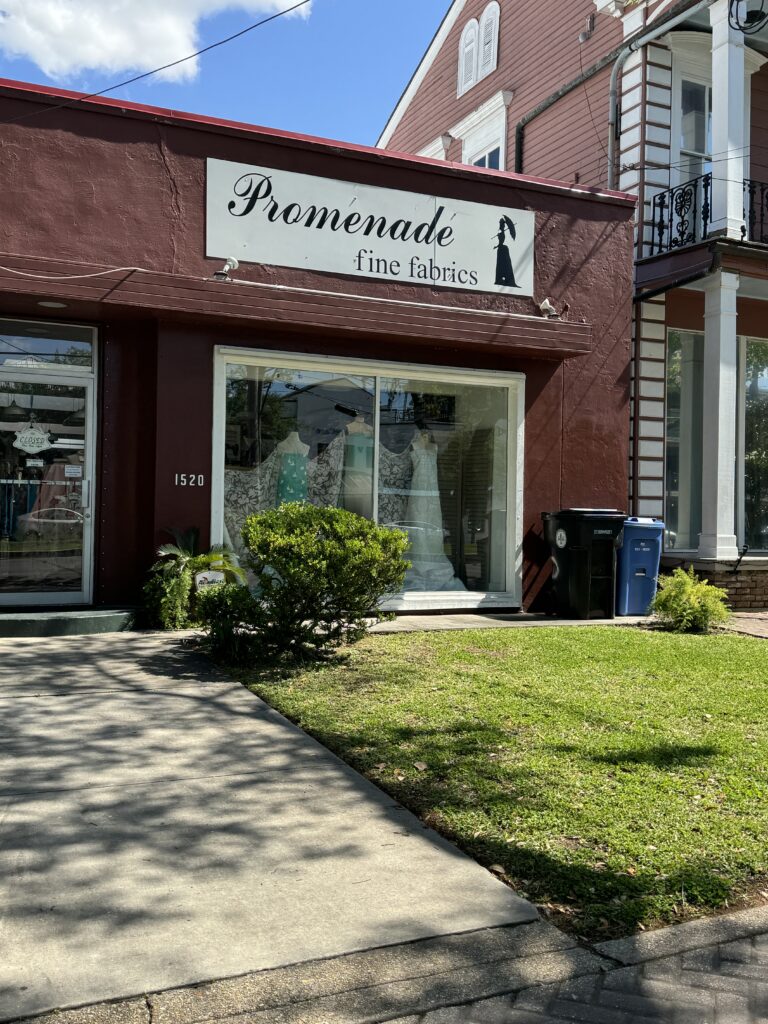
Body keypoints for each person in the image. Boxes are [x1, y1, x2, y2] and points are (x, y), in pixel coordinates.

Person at [494, 217, 518, 288]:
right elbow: (500, 239)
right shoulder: (501, 230)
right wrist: (497, 246)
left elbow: (501, 239)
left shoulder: (501, 231)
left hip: (501, 244)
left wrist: (499, 234)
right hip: (500, 244)